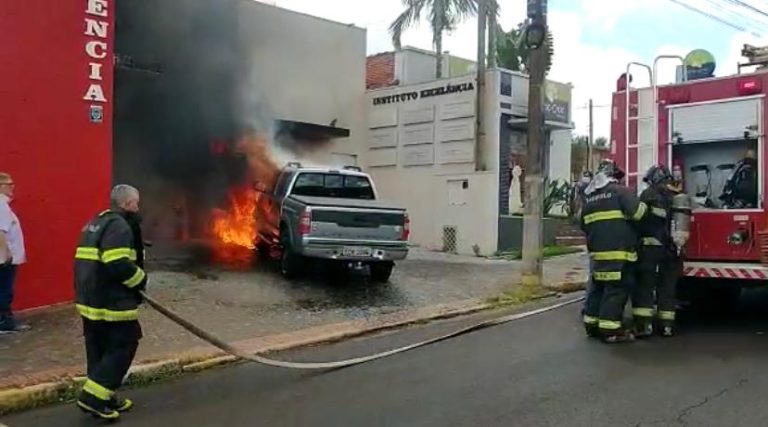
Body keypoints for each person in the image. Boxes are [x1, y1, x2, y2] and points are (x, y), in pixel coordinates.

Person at [74, 184, 148, 420]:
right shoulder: (119, 226)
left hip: (90, 300)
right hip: (111, 302)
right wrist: (140, 280)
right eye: (136, 203)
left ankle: (104, 394)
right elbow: (117, 263)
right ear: (127, 204)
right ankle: (93, 399)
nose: (138, 207)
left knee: (99, 348)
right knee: (124, 344)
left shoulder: (97, 221)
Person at [580, 160, 648, 343]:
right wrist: (642, 200)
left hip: (598, 255)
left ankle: (591, 324)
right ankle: (610, 330)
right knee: (616, 291)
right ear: (613, 176)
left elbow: (583, 225)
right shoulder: (621, 192)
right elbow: (639, 214)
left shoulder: (589, 198)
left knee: (598, 289)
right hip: (620, 254)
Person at [632, 165, 683, 337]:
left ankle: (644, 325)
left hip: (651, 249)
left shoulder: (649, 194)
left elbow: (639, 219)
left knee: (645, 286)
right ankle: (666, 325)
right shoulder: (676, 197)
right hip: (672, 250)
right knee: (667, 288)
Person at [0, 172, 29, 334]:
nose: (12, 187)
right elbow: (1, 231)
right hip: (5, 258)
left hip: (4, 256)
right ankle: (4, 321)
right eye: (8, 184)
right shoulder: (1, 206)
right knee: (4, 289)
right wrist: (6, 253)